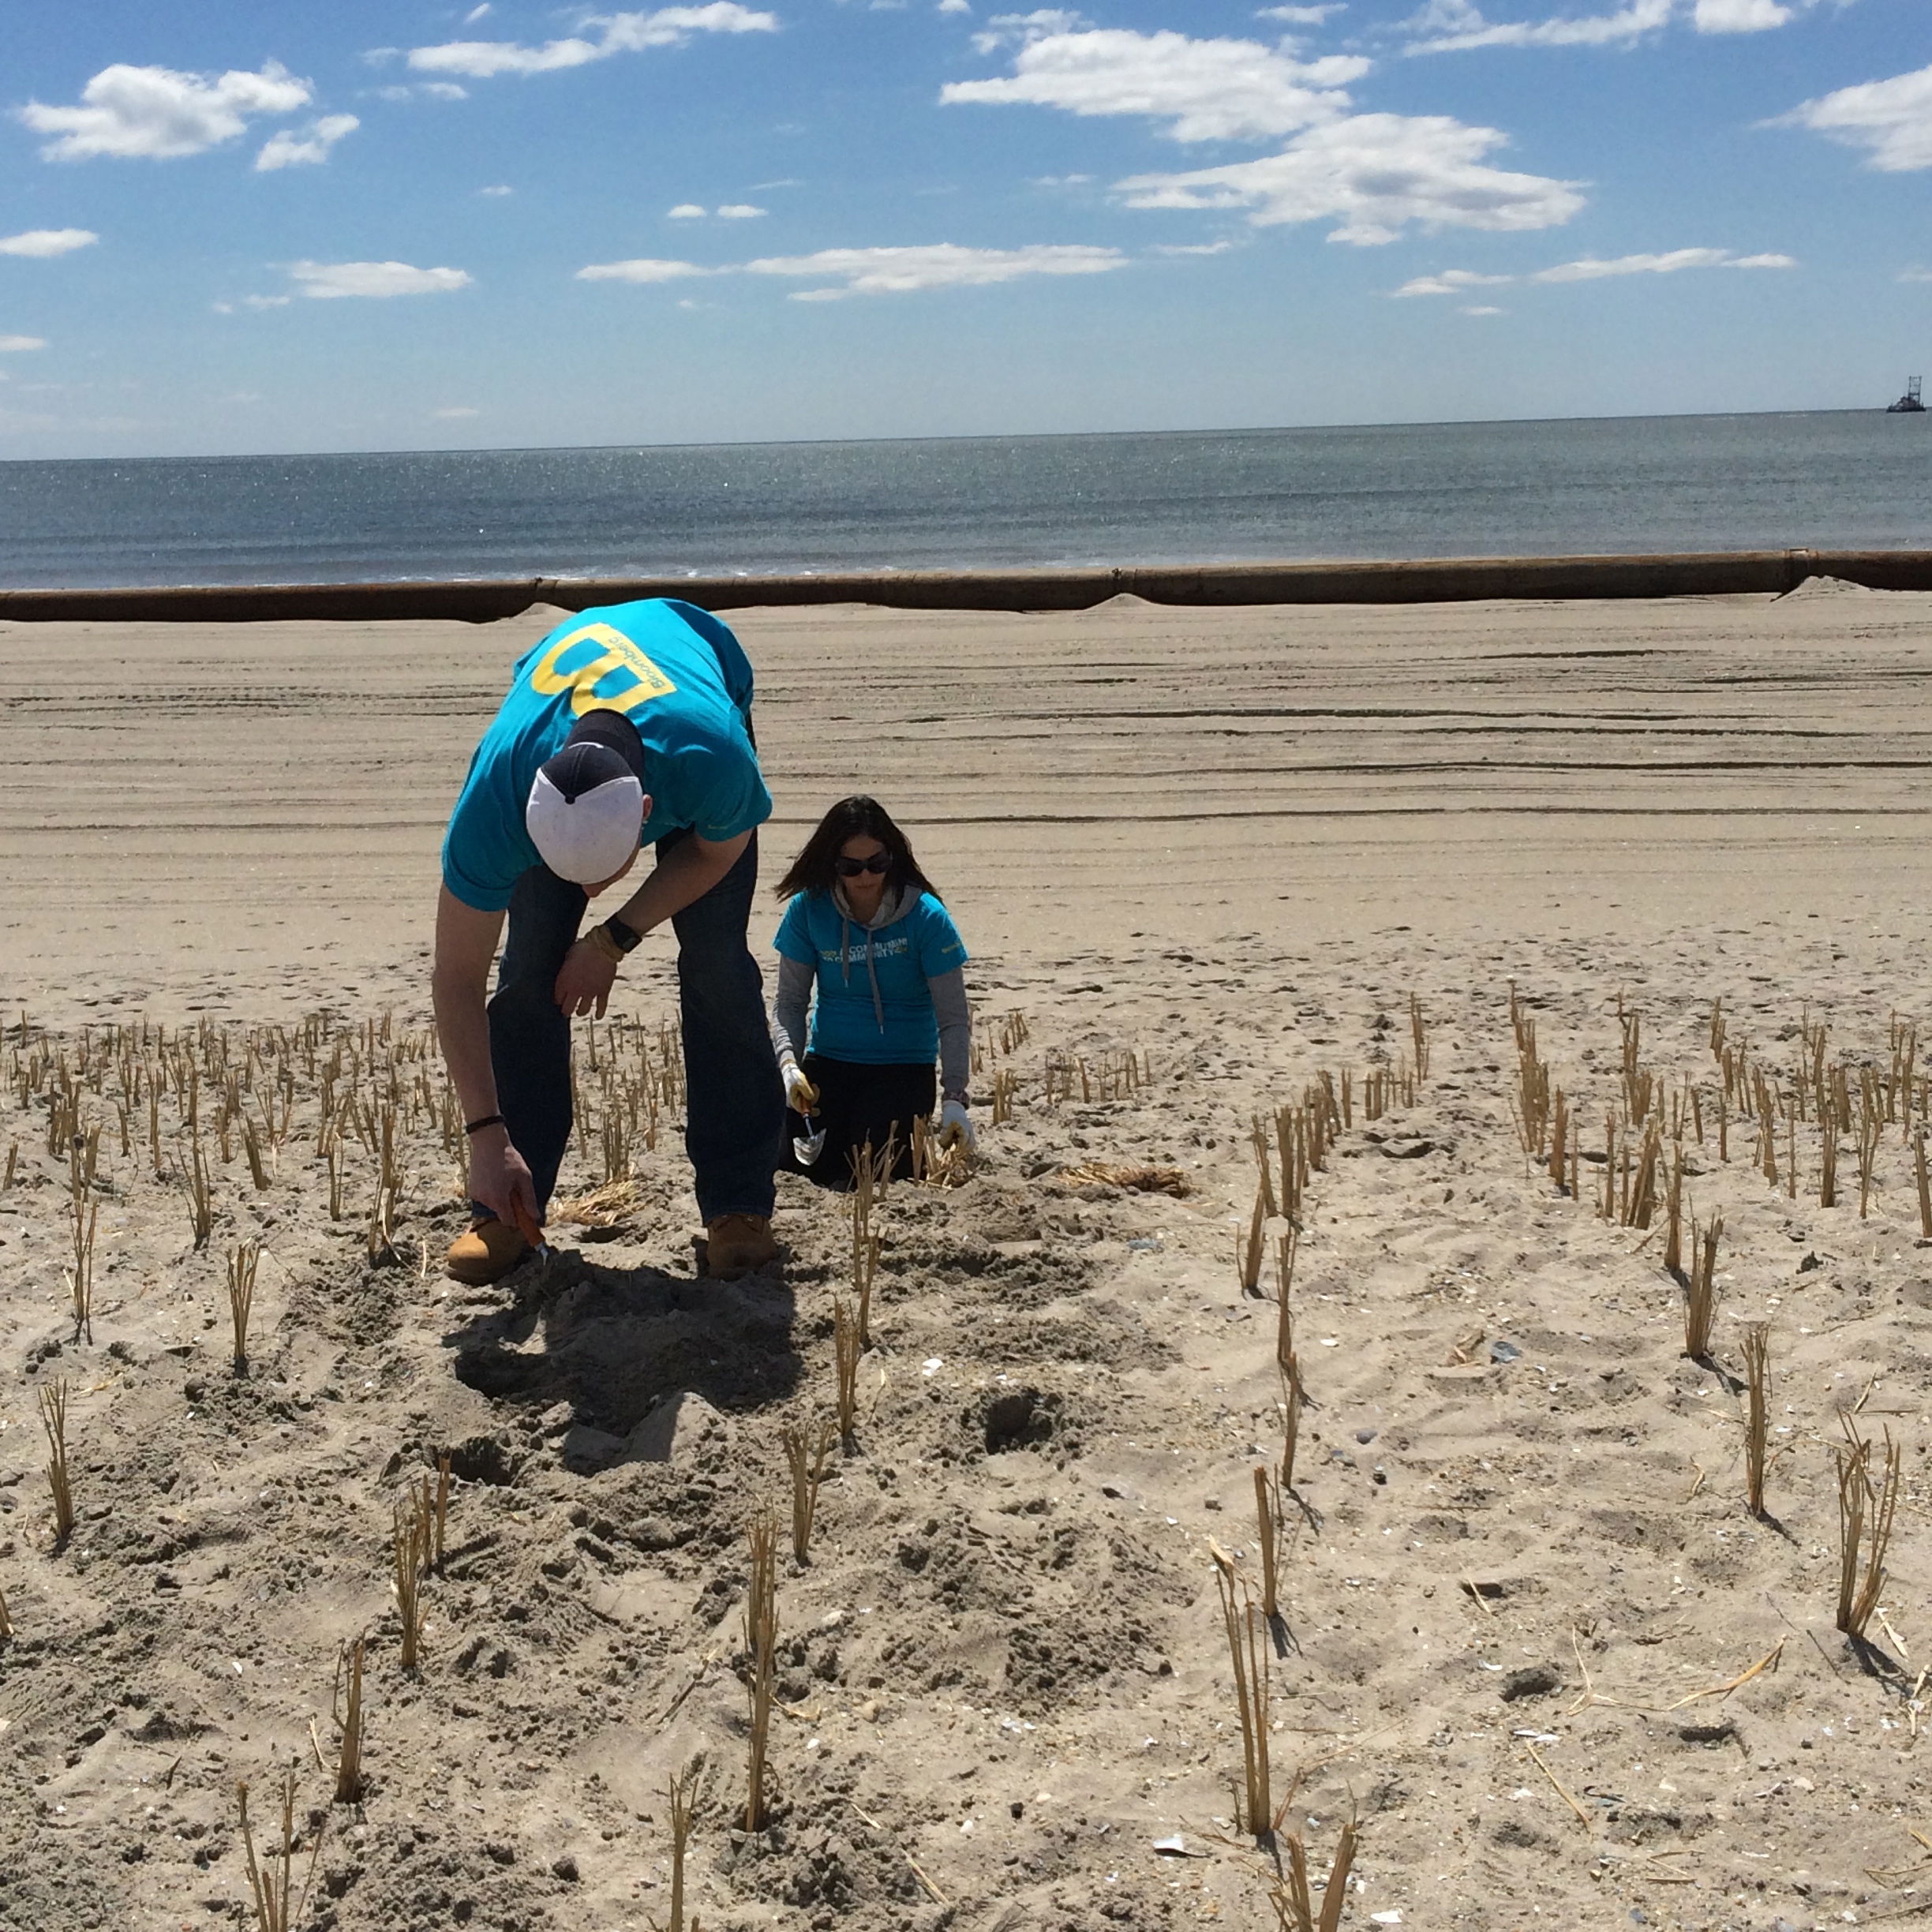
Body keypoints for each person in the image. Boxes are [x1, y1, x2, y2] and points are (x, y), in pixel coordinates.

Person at [433, 598, 783, 1285]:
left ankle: (738, 1204)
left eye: (602, 877)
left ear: (648, 817)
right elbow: (456, 977)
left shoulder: (713, 758)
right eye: (571, 877)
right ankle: (508, 1202)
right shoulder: (495, 799)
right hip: (568, 681)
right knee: (527, 976)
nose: (588, 892)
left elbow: (712, 857)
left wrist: (613, 938)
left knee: (716, 966)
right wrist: (484, 1134)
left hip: (696, 671)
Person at [769, 796, 973, 1189]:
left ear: (892, 857)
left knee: (875, 1165)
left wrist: (954, 1098)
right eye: (852, 867)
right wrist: (789, 1066)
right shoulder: (807, 911)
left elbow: (953, 1018)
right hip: (830, 1062)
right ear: (833, 865)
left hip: (903, 1067)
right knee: (800, 1163)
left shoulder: (927, 917)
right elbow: (790, 1002)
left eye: (876, 864)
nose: (866, 877)